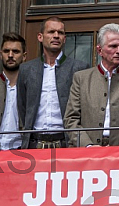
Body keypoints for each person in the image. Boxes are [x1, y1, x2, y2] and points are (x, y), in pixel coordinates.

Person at [64, 23, 119, 146]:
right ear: (100, 50)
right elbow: (71, 119)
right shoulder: (81, 78)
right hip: (86, 152)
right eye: (113, 46)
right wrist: (88, 145)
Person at [17, 16, 89, 149]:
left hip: (66, 143)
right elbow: (22, 106)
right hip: (34, 144)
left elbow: (84, 110)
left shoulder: (79, 68)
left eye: (60, 33)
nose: (56, 36)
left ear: (65, 39)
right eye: (51, 32)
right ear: (40, 37)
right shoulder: (26, 69)